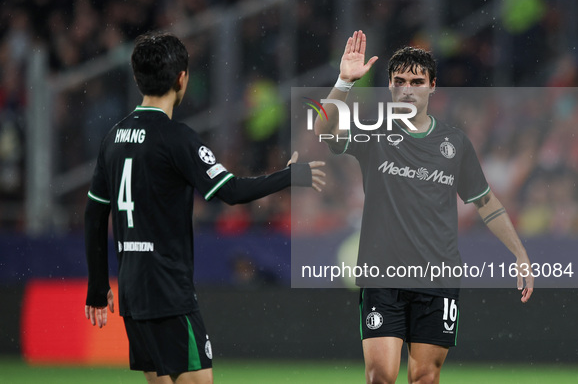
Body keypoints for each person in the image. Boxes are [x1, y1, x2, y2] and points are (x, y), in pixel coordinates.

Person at [84, 32, 325, 384]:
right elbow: (231, 191)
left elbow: (94, 214)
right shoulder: (176, 138)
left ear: (138, 79)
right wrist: (289, 176)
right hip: (169, 290)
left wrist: (96, 285)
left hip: (133, 290)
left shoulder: (114, 137)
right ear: (182, 78)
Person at [314, 30, 534, 384]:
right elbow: (324, 132)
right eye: (399, 81)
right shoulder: (374, 133)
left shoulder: (454, 143)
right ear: (389, 85)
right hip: (382, 274)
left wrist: (520, 254)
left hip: (439, 277)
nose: (407, 89)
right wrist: (343, 82)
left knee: (425, 377)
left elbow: (486, 202)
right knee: (380, 377)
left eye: (417, 81)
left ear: (433, 86)